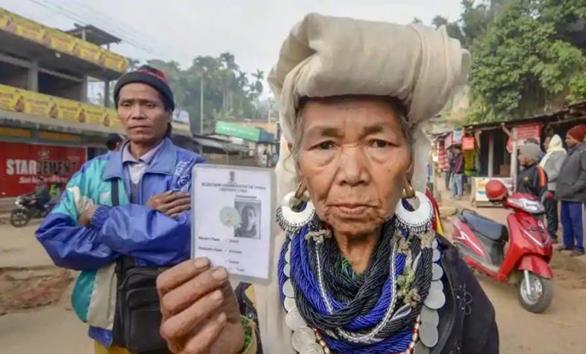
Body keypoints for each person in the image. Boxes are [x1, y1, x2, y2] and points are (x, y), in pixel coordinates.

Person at [155, 14, 498, 354]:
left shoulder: (452, 282)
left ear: (409, 164)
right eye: (325, 145)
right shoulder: (260, 283)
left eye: (379, 143)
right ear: (299, 166)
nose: (352, 173)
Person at [36, 65, 204, 354]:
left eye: (149, 104)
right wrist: (140, 223)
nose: (137, 114)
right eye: (127, 104)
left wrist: (101, 217)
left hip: (176, 319)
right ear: (118, 111)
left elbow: (183, 238)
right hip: (106, 326)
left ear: (168, 112)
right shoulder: (94, 171)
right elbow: (54, 236)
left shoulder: (191, 170)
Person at [556, 124, 586, 257]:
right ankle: (568, 243)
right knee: (565, 220)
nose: (566, 140)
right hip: (566, 194)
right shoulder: (572, 151)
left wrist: (573, 189)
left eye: (568, 138)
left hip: (576, 195)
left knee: (577, 222)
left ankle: (580, 246)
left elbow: (585, 175)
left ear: (576, 138)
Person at [540, 135, 566, 243]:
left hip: (551, 187)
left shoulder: (559, 153)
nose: (544, 144)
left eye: (546, 142)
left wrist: (545, 178)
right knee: (547, 210)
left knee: (551, 211)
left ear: (553, 142)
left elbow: (558, 171)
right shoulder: (550, 153)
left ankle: (552, 234)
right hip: (546, 186)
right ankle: (548, 232)